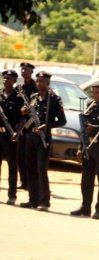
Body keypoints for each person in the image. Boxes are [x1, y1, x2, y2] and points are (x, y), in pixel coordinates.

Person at [19, 71, 67, 211]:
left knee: (41, 169)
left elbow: (62, 121)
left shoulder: (54, 100)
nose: (39, 83)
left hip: (43, 138)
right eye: (37, 81)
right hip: (30, 136)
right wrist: (25, 111)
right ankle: (32, 200)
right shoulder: (33, 97)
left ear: (48, 83)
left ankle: (44, 201)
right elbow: (29, 113)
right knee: (30, 168)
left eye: (41, 81)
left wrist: (47, 126)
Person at [70, 84, 99, 220]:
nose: (98, 94)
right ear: (92, 93)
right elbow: (83, 128)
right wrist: (81, 147)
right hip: (88, 145)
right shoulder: (89, 104)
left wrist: (96, 128)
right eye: (95, 92)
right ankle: (85, 207)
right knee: (86, 179)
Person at [0, 70, 22, 205]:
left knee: (12, 166)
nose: (5, 80)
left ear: (14, 81)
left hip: (10, 136)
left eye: (8, 78)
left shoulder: (18, 98)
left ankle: (12, 195)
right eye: (4, 78)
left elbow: (22, 119)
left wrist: (17, 132)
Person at [15, 62, 37, 190]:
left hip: (31, 124)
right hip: (21, 124)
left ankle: (31, 181)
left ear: (31, 72)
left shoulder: (35, 87)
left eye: (26, 69)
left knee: (30, 155)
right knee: (20, 154)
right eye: (22, 69)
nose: (24, 71)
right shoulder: (19, 87)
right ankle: (23, 181)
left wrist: (28, 109)